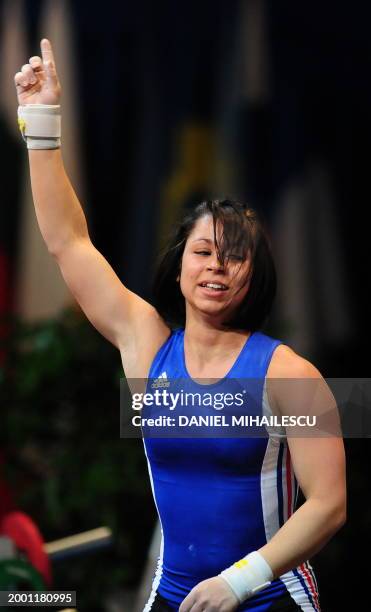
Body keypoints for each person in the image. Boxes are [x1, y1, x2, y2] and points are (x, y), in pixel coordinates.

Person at [14, 40, 346, 612]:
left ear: (254, 275)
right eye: (202, 251)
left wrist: (237, 583)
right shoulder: (145, 345)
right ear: (179, 264)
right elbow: (68, 242)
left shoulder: (290, 373)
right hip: (174, 597)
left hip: (270, 600)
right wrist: (42, 120)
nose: (216, 265)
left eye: (234, 256)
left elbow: (329, 505)